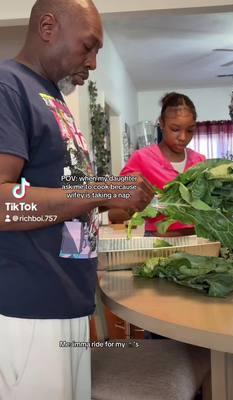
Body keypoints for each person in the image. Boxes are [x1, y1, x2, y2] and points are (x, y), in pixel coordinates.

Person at [0, 1, 153, 400]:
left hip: (66, 299)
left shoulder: (50, 97)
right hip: (29, 308)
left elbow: (59, 190)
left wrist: (106, 197)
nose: (93, 62)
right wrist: (101, 190)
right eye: (89, 46)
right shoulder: (7, 86)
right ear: (48, 27)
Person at [109, 92, 206, 236]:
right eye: (175, 129)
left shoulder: (200, 161)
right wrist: (150, 207)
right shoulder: (141, 159)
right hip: (157, 247)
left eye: (190, 130)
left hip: (196, 244)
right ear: (161, 123)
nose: (183, 137)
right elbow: (114, 212)